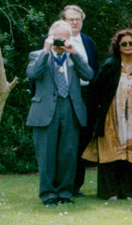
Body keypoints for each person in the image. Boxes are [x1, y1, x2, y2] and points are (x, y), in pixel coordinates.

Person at [25, 20, 94, 206]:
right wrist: (46, 50)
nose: (61, 43)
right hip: (46, 109)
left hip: (70, 108)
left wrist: (75, 54)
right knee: (46, 155)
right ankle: (48, 194)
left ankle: (65, 193)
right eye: (58, 38)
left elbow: (88, 75)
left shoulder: (74, 57)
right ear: (50, 37)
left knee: (68, 154)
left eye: (65, 39)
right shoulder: (38, 55)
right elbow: (32, 74)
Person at [81, 29, 132, 201]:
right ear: (118, 46)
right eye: (124, 43)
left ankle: (130, 191)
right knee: (111, 152)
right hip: (111, 117)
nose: (128, 46)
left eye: (131, 43)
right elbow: (96, 92)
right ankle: (110, 192)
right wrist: (97, 115)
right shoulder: (109, 66)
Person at [60, 5, 98, 197]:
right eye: (71, 19)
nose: (75, 22)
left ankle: (76, 184)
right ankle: (62, 183)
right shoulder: (56, 41)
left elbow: (94, 71)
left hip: (86, 95)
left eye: (78, 19)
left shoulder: (88, 42)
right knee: (67, 140)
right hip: (66, 95)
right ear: (64, 21)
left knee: (83, 138)